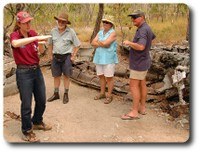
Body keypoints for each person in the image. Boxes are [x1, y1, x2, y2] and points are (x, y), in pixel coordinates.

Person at [10, 11, 52, 142]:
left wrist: (41, 42)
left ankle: (37, 121)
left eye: (29, 21)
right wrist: (35, 39)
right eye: (25, 22)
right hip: (23, 73)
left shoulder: (33, 33)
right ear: (19, 23)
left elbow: (39, 51)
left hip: (36, 70)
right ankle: (27, 130)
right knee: (26, 103)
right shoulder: (14, 35)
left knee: (41, 99)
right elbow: (15, 44)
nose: (28, 24)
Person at [121, 10, 156, 120]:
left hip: (139, 63)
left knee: (133, 86)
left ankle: (134, 111)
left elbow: (141, 47)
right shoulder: (147, 28)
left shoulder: (142, 30)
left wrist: (129, 43)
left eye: (135, 17)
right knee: (142, 84)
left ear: (142, 17)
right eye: (132, 17)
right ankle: (142, 107)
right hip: (144, 61)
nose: (132, 20)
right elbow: (153, 37)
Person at [47, 12, 81, 104]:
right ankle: (56, 93)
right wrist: (50, 55)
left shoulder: (71, 32)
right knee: (56, 75)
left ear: (66, 23)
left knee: (66, 75)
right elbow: (50, 44)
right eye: (59, 21)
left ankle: (66, 94)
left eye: (63, 22)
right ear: (57, 21)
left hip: (66, 57)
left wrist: (73, 56)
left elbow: (77, 45)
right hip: (55, 56)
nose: (61, 23)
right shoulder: (53, 31)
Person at [91, 15, 118, 104]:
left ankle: (109, 95)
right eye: (104, 22)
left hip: (108, 58)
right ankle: (102, 93)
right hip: (99, 58)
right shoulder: (100, 32)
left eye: (107, 22)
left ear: (111, 24)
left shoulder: (113, 33)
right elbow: (92, 42)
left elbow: (107, 44)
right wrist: (102, 43)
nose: (105, 24)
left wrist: (98, 43)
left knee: (109, 78)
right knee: (101, 76)